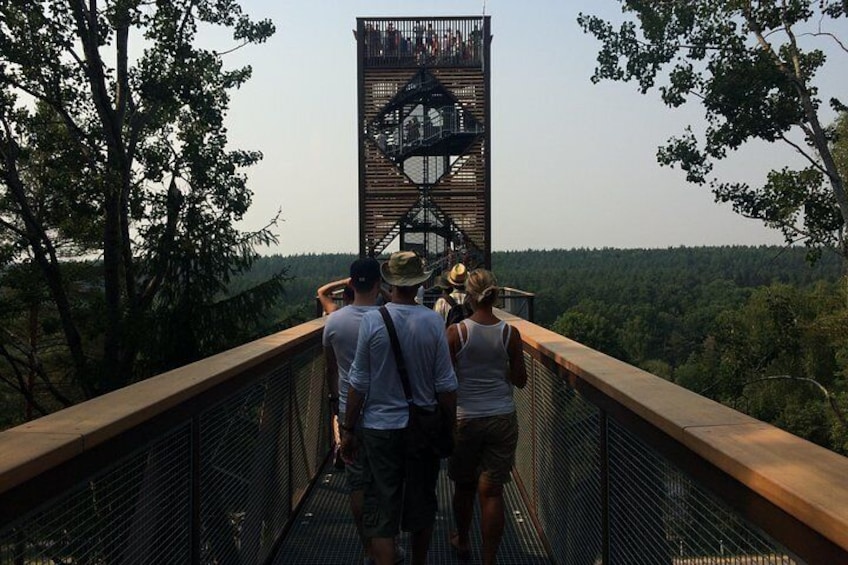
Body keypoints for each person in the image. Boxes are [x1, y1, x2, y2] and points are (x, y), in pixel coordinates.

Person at [341, 251, 458, 565]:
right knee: (422, 507)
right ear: (419, 282)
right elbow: (446, 384)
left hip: (379, 430)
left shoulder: (372, 321)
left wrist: (348, 429)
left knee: (381, 513)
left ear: (389, 282)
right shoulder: (433, 322)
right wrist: (451, 428)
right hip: (422, 429)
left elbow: (359, 383)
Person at [446, 269, 528, 565]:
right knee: (492, 492)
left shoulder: (456, 333)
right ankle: (489, 559)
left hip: (465, 417)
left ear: (469, 295)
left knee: (464, 484)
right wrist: (502, 370)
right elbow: (520, 379)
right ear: (494, 295)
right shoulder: (510, 333)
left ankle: (463, 538)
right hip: (502, 417)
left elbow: (444, 380)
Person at [322, 258, 383, 564]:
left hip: (349, 414)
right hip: (386, 413)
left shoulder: (334, 322)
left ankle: (368, 548)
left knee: (357, 483)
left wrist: (335, 401)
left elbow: (331, 368)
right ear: (378, 284)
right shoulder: (389, 319)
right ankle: (388, 546)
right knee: (386, 482)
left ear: (350, 284)